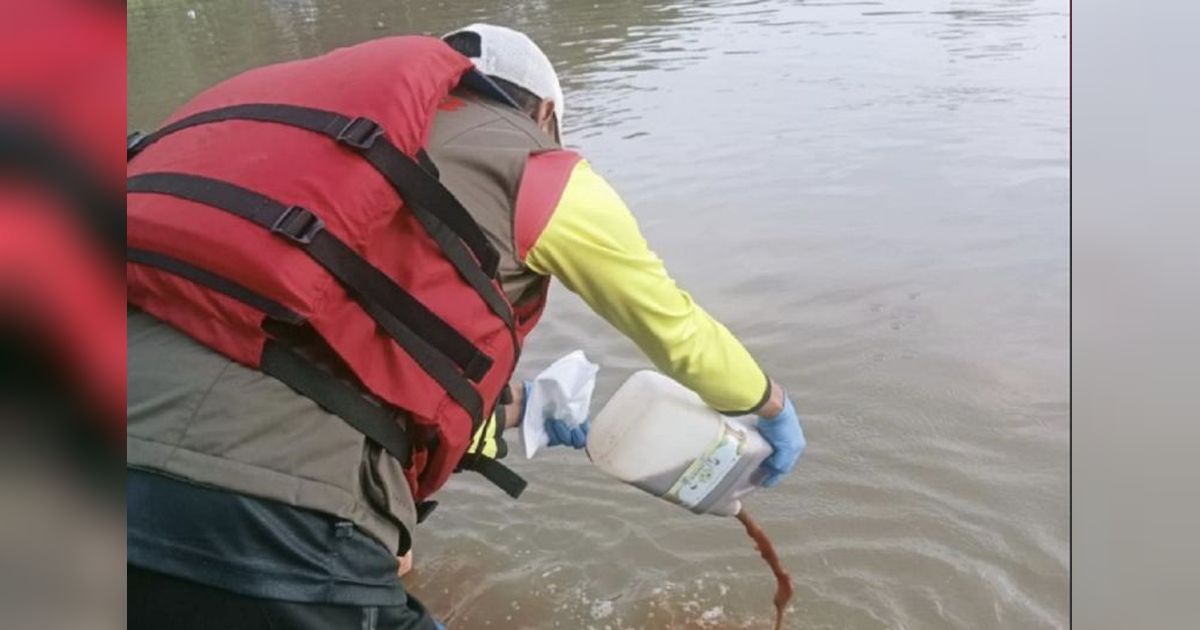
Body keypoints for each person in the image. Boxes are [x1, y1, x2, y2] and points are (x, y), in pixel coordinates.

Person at [126, 24, 806, 629]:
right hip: (269, 515)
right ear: (543, 113)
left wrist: (517, 412)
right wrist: (767, 404)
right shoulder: (535, 167)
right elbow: (673, 326)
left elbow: (338, 351)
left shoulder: (305, 149)